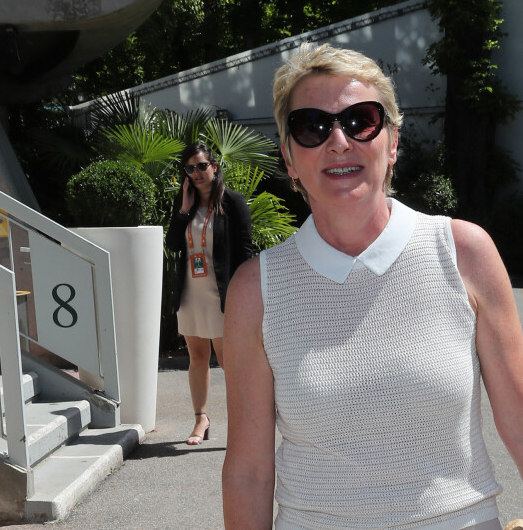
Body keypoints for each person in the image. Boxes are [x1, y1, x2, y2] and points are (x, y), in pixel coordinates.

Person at [222, 43, 523, 528]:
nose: (338, 141)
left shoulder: (464, 253)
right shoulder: (256, 290)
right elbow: (249, 472)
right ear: (290, 159)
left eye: (360, 120)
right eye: (312, 127)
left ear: (393, 141)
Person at [166, 142, 252, 445]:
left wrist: (242, 298)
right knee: (197, 356)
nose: (197, 173)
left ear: (214, 166)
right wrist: (184, 210)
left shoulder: (233, 203)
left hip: (221, 295)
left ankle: (243, 422)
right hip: (192, 293)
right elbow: (174, 245)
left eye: (201, 166)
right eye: (190, 168)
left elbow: (245, 253)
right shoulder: (184, 204)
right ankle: (201, 419)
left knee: (230, 361)